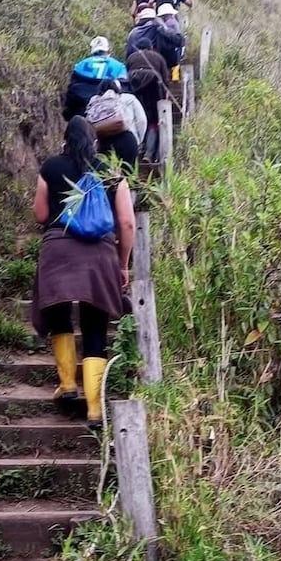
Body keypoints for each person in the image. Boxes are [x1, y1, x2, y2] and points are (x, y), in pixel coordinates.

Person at [31, 116, 135, 429]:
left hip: (58, 250)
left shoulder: (50, 167)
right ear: (94, 142)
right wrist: (122, 263)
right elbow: (128, 223)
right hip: (99, 255)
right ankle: (93, 410)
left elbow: (40, 214)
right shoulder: (111, 172)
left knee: (60, 317)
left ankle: (67, 386)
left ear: (64, 139)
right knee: (95, 327)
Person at [87, 78, 147, 174]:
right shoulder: (129, 98)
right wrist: (138, 140)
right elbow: (142, 120)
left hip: (103, 141)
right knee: (129, 174)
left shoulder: (94, 100)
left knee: (105, 175)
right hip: (126, 139)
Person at [63, 36, 127, 121]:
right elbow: (126, 91)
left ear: (92, 51)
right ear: (108, 50)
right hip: (111, 113)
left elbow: (71, 93)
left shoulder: (80, 66)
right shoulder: (120, 67)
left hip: (83, 113)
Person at [126, 37, 169, 162]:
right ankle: (149, 154)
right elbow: (165, 79)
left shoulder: (131, 58)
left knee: (137, 119)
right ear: (151, 47)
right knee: (153, 122)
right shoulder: (158, 57)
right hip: (154, 90)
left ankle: (137, 149)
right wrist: (165, 97)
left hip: (135, 91)